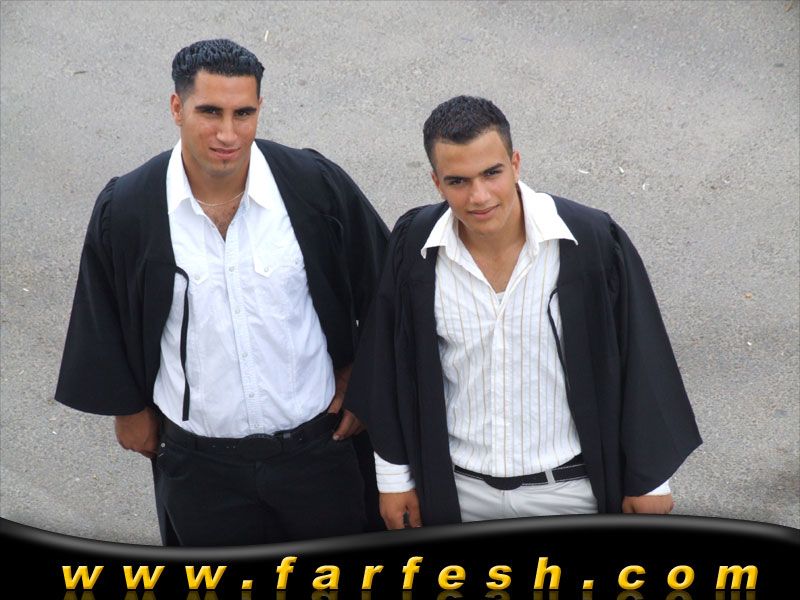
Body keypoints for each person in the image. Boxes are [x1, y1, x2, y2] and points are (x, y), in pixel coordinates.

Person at [55, 39, 389, 546]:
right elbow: (101, 309)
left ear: (259, 108)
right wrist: (128, 408)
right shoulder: (130, 207)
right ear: (177, 107)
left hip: (318, 455)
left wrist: (363, 377)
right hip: (199, 468)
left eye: (243, 113)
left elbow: (385, 284)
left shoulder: (312, 186)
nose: (228, 133)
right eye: (210, 112)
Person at [345, 95, 702, 529]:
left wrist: (650, 483)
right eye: (458, 181)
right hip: (457, 494)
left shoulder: (589, 242)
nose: (479, 196)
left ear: (515, 164)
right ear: (436, 182)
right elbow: (389, 366)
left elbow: (640, 359)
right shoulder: (415, 248)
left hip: (570, 493)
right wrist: (393, 479)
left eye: (491, 173)